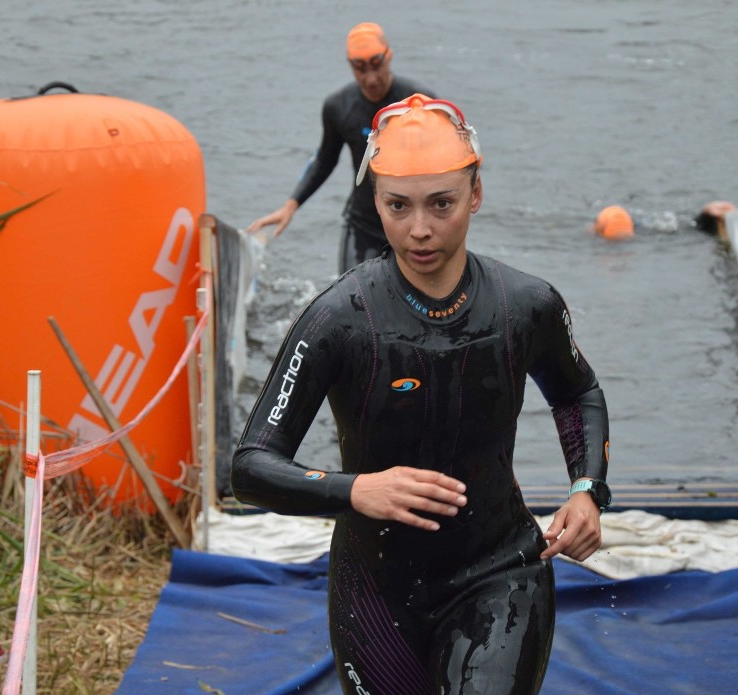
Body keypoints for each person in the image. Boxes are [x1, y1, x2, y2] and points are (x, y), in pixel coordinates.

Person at [232, 94, 612, 694]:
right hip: (377, 589)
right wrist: (356, 489)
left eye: (442, 204)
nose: (420, 230)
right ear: (374, 202)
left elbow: (577, 393)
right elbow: (251, 466)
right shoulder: (338, 320)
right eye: (397, 206)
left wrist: (587, 490)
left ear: (475, 194)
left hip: (502, 571)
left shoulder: (526, 306)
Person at [246, 22, 436, 274]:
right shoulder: (338, 107)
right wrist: (291, 205)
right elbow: (325, 159)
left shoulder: (420, 103)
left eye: (377, 65)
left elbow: (447, 165)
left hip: (413, 224)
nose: (371, 78)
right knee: (354, 302)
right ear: (350, 66)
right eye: (360, 69)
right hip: (364, 224)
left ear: (389, 56)